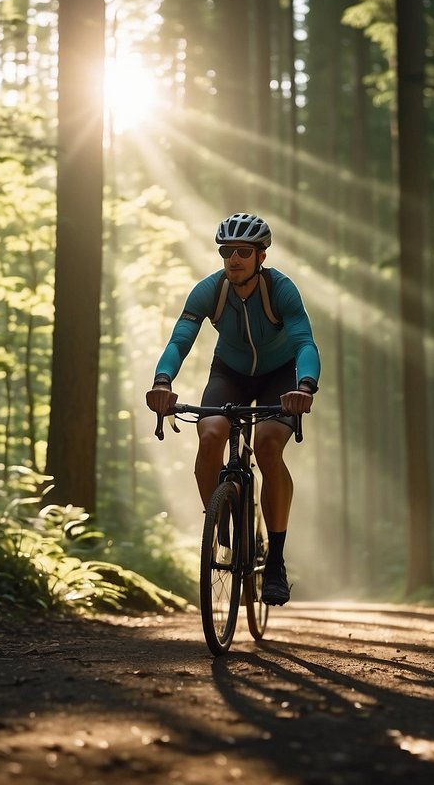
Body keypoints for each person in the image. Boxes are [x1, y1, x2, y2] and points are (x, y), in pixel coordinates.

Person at [145, 212, 320, 606]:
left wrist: (305, 386)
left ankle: (274, 561)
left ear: (261, 256)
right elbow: (180, 340)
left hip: (280, 376)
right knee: (209, 434)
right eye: (227, 251)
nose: (234, 258)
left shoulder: (281, 290)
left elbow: (304, 342)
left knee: (269, 444)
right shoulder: (211, 290)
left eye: (243, 251)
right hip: (230, 373)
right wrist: (162, 382)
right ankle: (220, 519)